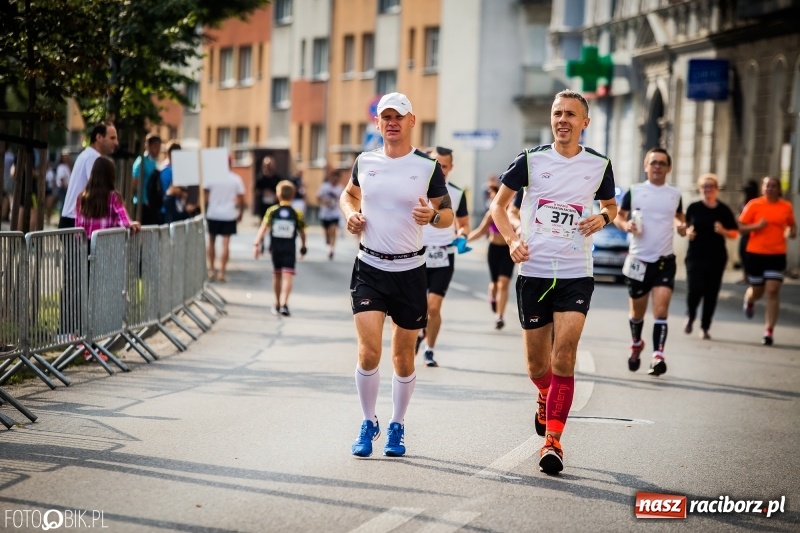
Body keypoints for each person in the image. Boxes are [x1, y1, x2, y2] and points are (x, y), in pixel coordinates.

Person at [490, 89, 617, 475]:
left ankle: (553, 442)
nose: (562, 120)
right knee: (536, 365)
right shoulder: (530, 160)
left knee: (564, 356)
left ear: (585, 123)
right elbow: (499, 206)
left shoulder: (599, 165)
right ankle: (545, 395)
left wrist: (604, 218)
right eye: (557, 113)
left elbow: (611, 206)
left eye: (570, 114)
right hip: (534, 272)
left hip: (577, 271)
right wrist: (512, 240)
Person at [340, 91, 454, 458]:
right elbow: (348, 196)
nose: (391, 122)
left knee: (403, 357)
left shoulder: (427, 167)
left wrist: (432, 217)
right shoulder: (365, 161)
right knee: (369, 350)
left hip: (410, 270)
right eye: (385, 117)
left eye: (398, 117)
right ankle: (367, 420)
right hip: (369, 266)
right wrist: (350, 215)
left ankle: (397, 424)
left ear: (411, 121)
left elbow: (447, 215)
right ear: (378, 123)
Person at [614, 148, 687, 377]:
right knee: (637, 312)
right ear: (646, 166)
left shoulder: (674, 194)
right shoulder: (634, 191)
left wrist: (681, 227)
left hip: (664, 260)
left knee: (661, 310)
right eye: (653, 162)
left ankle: (658, 356)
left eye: (662, 163)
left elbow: (678, 217)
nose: (657, 166)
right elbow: (618, 215)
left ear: (669, 168)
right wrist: (625, 226)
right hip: (638, 260)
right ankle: (636, 343)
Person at [414, 146, 469, 367]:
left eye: (444, 166)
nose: (441, 170)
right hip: (417, 254)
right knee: (417, 306)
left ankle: (430, 349)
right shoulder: (416, 189)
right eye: (437, 165)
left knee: (434, 306)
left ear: (451, 167)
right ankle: (418, 333)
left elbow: (463, 224)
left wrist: (462, 236)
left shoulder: (456, 193)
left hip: (443, 255)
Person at [739, 176, 797, 346]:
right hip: (755, 254)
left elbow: (792, 226)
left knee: (772, 290)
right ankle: (749, 299)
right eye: (767, 185)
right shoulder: (754, 205)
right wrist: (756, 227)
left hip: (777, 255)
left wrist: (792, 232)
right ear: (762, 188)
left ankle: (769, 331)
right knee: (758, 292)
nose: (770, 188)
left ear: (779, 189)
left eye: (773, 186)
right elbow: (741, 228)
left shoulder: (786, 206)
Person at [683, 174, 739, 340]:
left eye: (711, 186)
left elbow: (735, 233)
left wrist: (723, 231)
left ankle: (705, 326)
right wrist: (688, 232)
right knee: (695, 289)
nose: (708, 189)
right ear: (700, 189)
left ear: (716, 189)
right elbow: (684, 226)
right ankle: (691, 315)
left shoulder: (723, 210)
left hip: (716, 257)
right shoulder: (693, 207)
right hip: (695, 255)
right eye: (705, 186)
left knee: (711, 293)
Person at [253, 180, 307, 316]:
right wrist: (303, 246)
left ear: (277, 195)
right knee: (288, 276)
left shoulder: (272, 211)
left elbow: (263, 228)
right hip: (289, 249)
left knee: (277, 275)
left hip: (275, 249)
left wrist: (256, 244)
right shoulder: (297, 213)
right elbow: (303, 232)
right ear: (293, 196)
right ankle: (284, 304)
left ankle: (277, 303)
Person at [467, 183, 518, 329]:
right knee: (495, 284)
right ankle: (492, 296)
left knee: (504, 283)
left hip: (508, 250)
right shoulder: (492, 213)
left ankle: (499, 316)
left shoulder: (514, 214)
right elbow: (481, 231)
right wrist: (465, 240)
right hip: (494, 250)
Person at [59, 123, 119, 228]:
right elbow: (101, 189)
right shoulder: (92, 157)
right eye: (112, 138)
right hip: (75, 221)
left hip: (74, 220)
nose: (116, 142)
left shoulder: (89, 155)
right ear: (99, 137)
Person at [76, 158, 141, 240]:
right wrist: (132, 225)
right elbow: (124, 222)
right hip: (106, 247)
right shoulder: (113, 197)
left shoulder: (81, 198)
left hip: (85, 247)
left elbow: (78, 229)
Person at [205, 161, 246, 283]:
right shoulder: (235, 179)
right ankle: (222, 271)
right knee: (226, 244)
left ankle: (211, 270)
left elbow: (204, 194)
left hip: (213, 213)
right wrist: (240, 213)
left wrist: (208, 205)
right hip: (228, 214)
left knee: (211, 242)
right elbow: (241, 198)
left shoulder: (212, 178)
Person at [132, 133, 163, 225]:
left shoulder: (154, 162)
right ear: (148, 146)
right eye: (155, 147)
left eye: (159, 147)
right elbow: (134, 183)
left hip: (151, 204)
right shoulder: (141, 162)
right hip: (141, 205)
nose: (158, 150)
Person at [317, 168, 345, 260]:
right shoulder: (324, 187)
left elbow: (343, 200)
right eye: (333, 177)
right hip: (325, 213)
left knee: (333, 231)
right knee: (326, 233)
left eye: (337, 178)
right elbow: (317, 198)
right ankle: (328, 241)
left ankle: (331, 250)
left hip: (335, 213)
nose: (335, 180)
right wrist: (325, 202)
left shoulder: (340, 188)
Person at [736, 180, 760, 281]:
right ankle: (745, 276)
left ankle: (751, 276)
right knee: (743, 253)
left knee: (752, 256)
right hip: (745, 232)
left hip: (755, 233)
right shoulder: (744, 201)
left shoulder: (757, 202)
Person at [255, 156, 282, 221]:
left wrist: (274, 195)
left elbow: (281, 192)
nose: (269, 167)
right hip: (263, 207)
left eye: (270, 165)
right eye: (267, 165)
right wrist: (263, 192)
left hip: (274, 206)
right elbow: (255, 190)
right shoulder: (260, 178)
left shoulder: (277, 179)